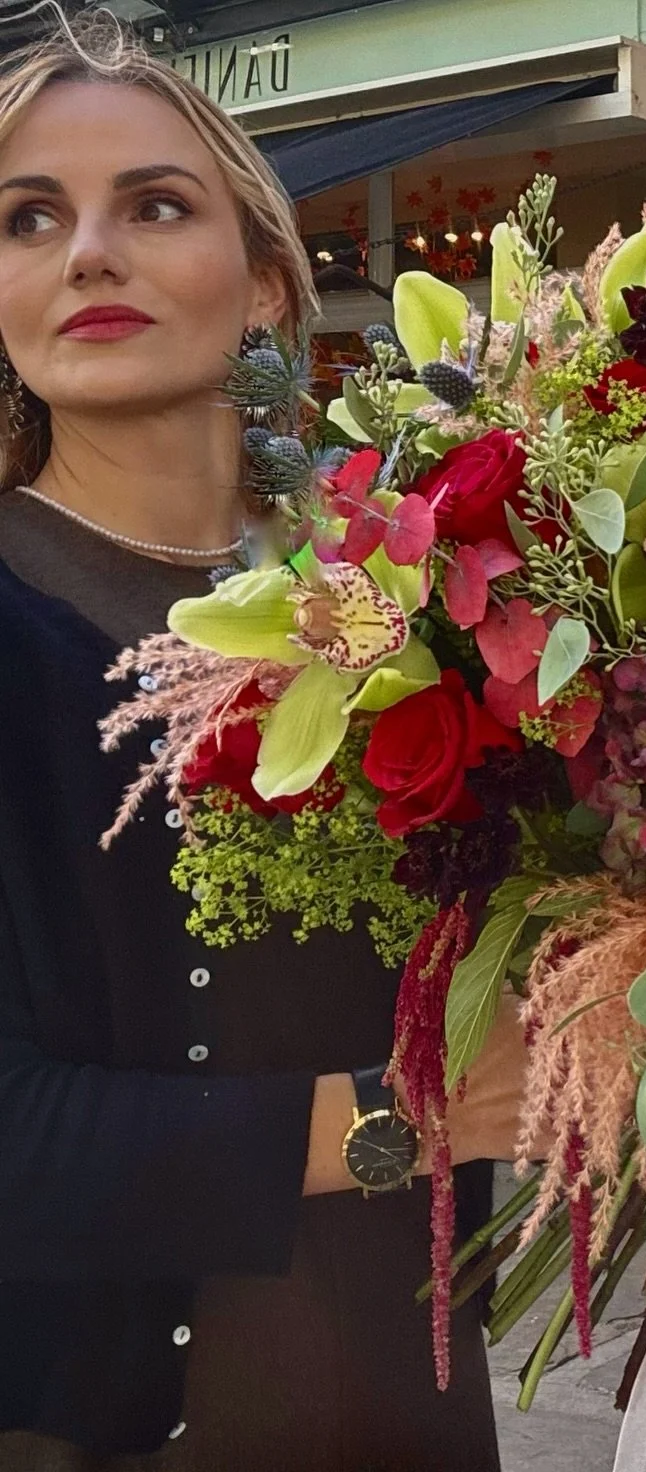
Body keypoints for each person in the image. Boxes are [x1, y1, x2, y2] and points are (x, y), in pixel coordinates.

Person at [0, 16, 530, 1471]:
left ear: (267, 286)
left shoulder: (411, 594)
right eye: (28, 218)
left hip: (420, 1403)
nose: (86, 252)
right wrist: (389, 1127)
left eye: (154, 205)